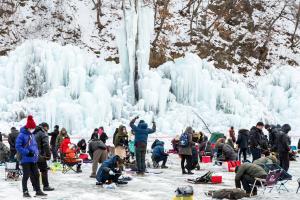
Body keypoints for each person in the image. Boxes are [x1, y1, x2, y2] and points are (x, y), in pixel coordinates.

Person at [16, 115, 47, 197]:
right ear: (28, 127)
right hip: (25, 159)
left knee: (36, 174)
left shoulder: (32, 135)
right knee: (26, 175)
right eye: (31, 128)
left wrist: (37, 154)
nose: (33, 129)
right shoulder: (21, 135)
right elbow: (18, 146)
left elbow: (34, 146)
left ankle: (38, 190)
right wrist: (27, 152)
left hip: (33, 159)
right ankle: (25, 192)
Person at [34, 123, 54, 191]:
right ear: (45, 127)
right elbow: (46, 144)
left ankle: (35, 186)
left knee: (34, 171)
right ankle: (46, 186)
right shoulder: (43, 133)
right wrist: (48, 155)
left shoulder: (33, 132)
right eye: (47, 129)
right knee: (44, 170)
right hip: (40, 155)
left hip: (32, 154)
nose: (47, 130)